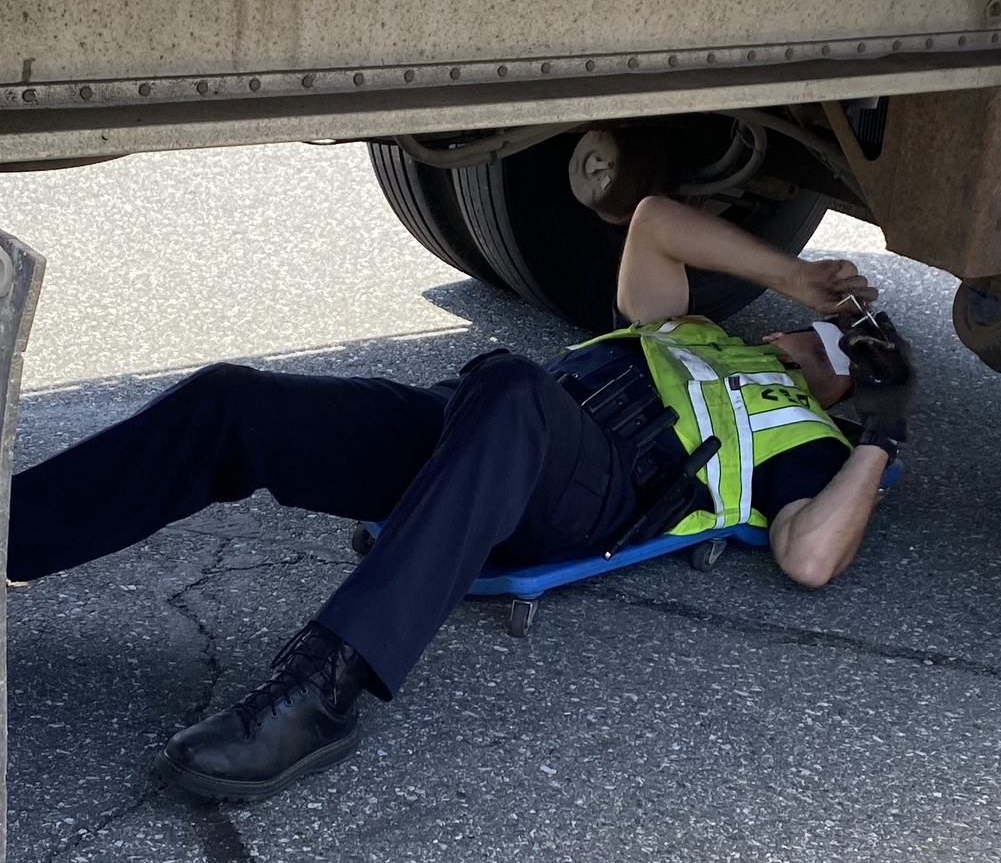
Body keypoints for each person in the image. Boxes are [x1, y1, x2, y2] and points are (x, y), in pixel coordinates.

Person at [7, 195, 915, 801]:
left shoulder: (808, 441)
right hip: (470, 427)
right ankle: (16, 532)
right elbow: (652, 222)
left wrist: (884, 428)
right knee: (234, 401)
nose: (829, 336)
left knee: (518, 387)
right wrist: (795, 275)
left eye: (850, 345)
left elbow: (810, 554)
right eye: (826, 325)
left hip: (584, 490)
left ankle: (323, 687)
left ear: (847, 383)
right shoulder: (692, 326)